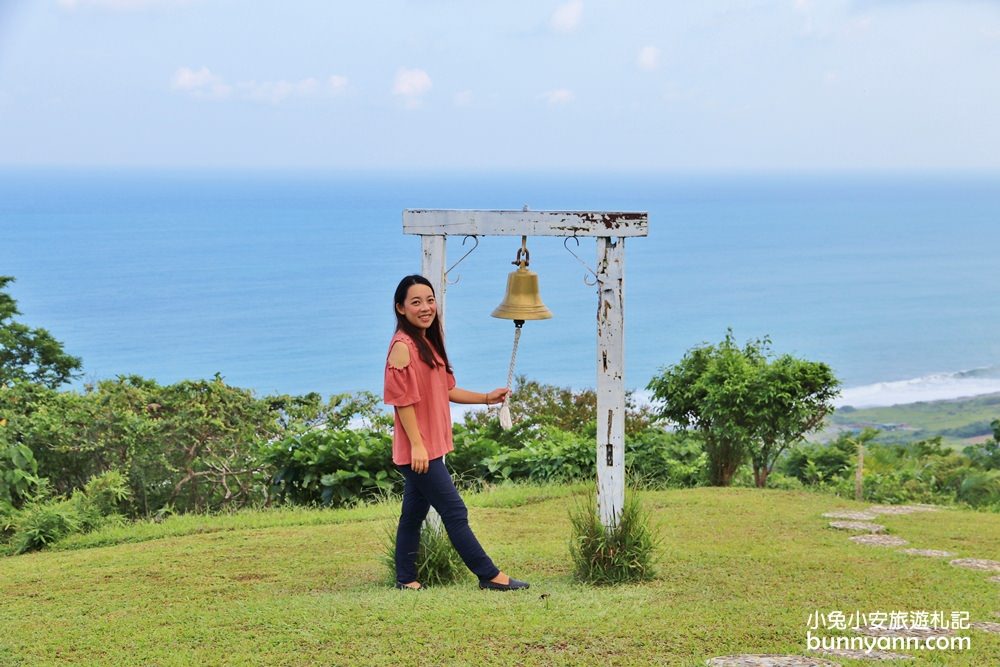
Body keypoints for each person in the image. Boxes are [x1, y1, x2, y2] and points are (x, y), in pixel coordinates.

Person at [384, 274, 530, 592]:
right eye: (416, 302)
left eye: (430, 300)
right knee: (454, 510)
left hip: (430, 446)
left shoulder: (428, 342)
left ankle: (405, 579)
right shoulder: (402, 347)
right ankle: (488, 575)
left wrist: (486, 398)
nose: (426, 307)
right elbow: (402, 402)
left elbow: (446, 389)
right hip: (420, 451)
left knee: (413, 513)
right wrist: (418, 446)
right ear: (400, 308)